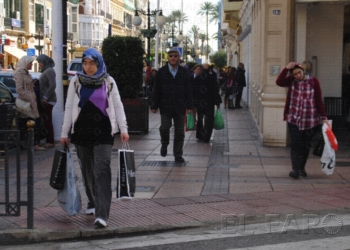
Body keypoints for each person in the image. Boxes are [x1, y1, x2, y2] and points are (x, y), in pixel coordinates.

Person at [60, 48, 129, 229]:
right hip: (82, 132)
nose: (88, 67)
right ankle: (92, 201)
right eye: (85, 63)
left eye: (92, 63)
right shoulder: (76, 81)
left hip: (103, 132)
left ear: (98, 63)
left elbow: (118, 106)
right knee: (87, 171)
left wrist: (123, 128)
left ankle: (102, 214)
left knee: (102, 170)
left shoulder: (108, 81)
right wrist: (64, 132)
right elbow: (68, 108)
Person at [276, 62, 328, 179]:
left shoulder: (314, 81)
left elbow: (319, 100)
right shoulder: (291, 81)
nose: (298, 76)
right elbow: (279, 82)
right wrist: (285, 69)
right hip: (294, 119)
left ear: (303, 71)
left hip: (309, 120)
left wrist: (323, 117)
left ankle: (301, 169)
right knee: (295, 144)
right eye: (295, 74)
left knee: (305, 145)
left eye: (299, 72)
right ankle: (295, 169)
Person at [151, 47, 194, 163]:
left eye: (175, 56)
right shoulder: (161, 72)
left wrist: (190, 106)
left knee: (179, 132)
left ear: (179, 57)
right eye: (171, 56)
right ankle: (164, 144)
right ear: (168, 57)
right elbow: (156, 90)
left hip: (180, 106)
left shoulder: (184, 72)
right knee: (165, 127)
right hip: (165, 106)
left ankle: (178, 154)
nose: (173, 58)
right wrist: (154, 105)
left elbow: (188, 90)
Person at [14, 56, 45, 151]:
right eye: (30, 63)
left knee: (32, 122)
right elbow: (19, 89)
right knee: (26, 123)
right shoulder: (20, 72)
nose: (32, 65)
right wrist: (29, 98)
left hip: (31, 101)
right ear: (25, 63)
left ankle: (32, 143)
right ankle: (30, 144)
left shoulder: (26, 72)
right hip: (26, 102)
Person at [194, 63, 222, 143]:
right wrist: (218, 102)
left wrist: (193, 102)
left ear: (202, 69)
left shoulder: (197, 78)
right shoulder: (212, 78)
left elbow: (193, 91)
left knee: (200, 118)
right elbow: (216, 90)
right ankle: (206, 137)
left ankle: (199, 135)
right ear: (210, 69)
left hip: (200, 102)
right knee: (209, 119)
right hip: (210, 102)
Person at [36, 54, 57, 148]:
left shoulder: (49, 71)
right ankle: (48, 140)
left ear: (44, 62)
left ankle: (50, 141)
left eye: (40, 62)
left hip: (48, 100)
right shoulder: (46, 70)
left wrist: (45, 97)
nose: (39, 64)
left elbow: (53, 85)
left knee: (47, 120)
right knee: (46, 120)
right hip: (45, 100)